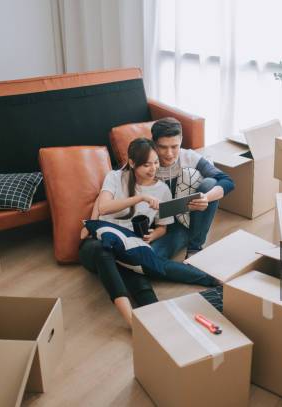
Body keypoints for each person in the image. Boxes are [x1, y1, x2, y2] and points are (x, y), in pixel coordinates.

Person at [79, 138, 217, 327]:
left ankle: (207, 284)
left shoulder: (162, 190)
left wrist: (154, 236)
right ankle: (131, 322)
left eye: (155, 163)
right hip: (99, 243)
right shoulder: (115, 177)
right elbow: (103, 207)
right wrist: (139, 198)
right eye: (146, 164)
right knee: (104, 253)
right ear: (132, 163)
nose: (153, 169)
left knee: (147, 267)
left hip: (131, 246)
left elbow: (163, 227)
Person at [150, 117, 235, 259]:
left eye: (174, 146)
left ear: (181, 140)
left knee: (210, 183)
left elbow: (227, 181)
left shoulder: (189, 157)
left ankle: (194, 248)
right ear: (154, 143)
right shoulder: (146, 160)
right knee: (150, 259)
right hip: (158, 224)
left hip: (184, 222)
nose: (169, 154)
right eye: (163, 147)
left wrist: (205, 198)